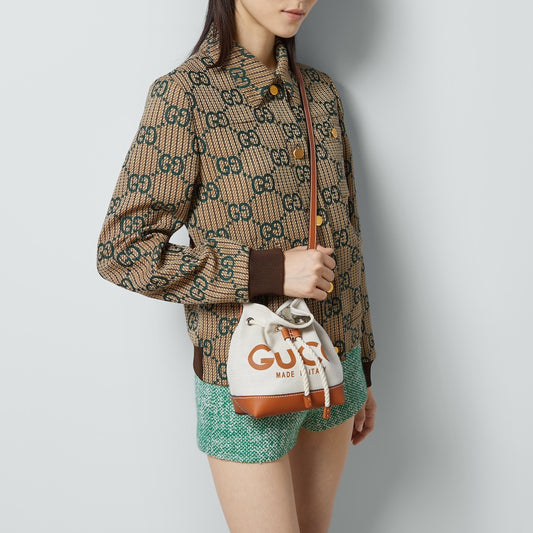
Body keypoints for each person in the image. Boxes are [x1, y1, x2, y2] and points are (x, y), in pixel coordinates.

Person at [96, 0, 378, 531]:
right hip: (241, 376)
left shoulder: (320, 94)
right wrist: (268, 271)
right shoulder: (185, 96)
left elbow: (349, 236)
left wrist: (362, 366)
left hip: (334, 363)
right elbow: (122, 251)